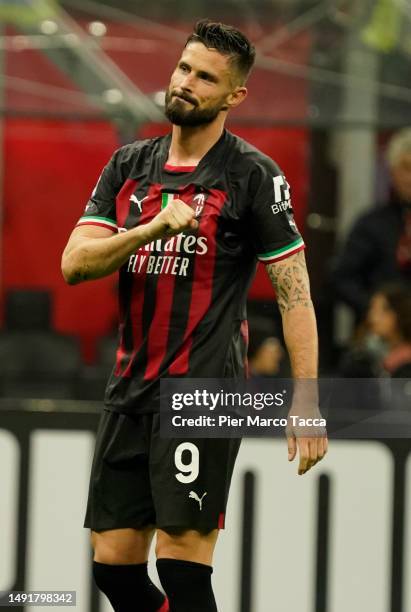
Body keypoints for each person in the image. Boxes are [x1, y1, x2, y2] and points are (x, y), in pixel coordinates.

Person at [61, 20, 327, 612]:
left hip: (202, 391)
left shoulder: (253, 175)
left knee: (182, 570)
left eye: (206, 78)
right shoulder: (129, 165)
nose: (186, 83)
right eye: (184, 68)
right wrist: (152, 227)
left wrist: (306, 403)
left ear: (234, 96)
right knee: (114, 572)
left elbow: (295, 294)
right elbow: (74, 264)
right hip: (129, 385)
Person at [333, 128, 411, 322]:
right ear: (392, 172)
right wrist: (377, 313)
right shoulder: (372, 224)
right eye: (406, 168)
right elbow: (342, 278)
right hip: (382, 339)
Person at [368, 283, 411, 377]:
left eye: (380, 311)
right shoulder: (384, 354)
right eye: (372, 309)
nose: (372, 318)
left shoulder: (405, 363)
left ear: (397, 313)